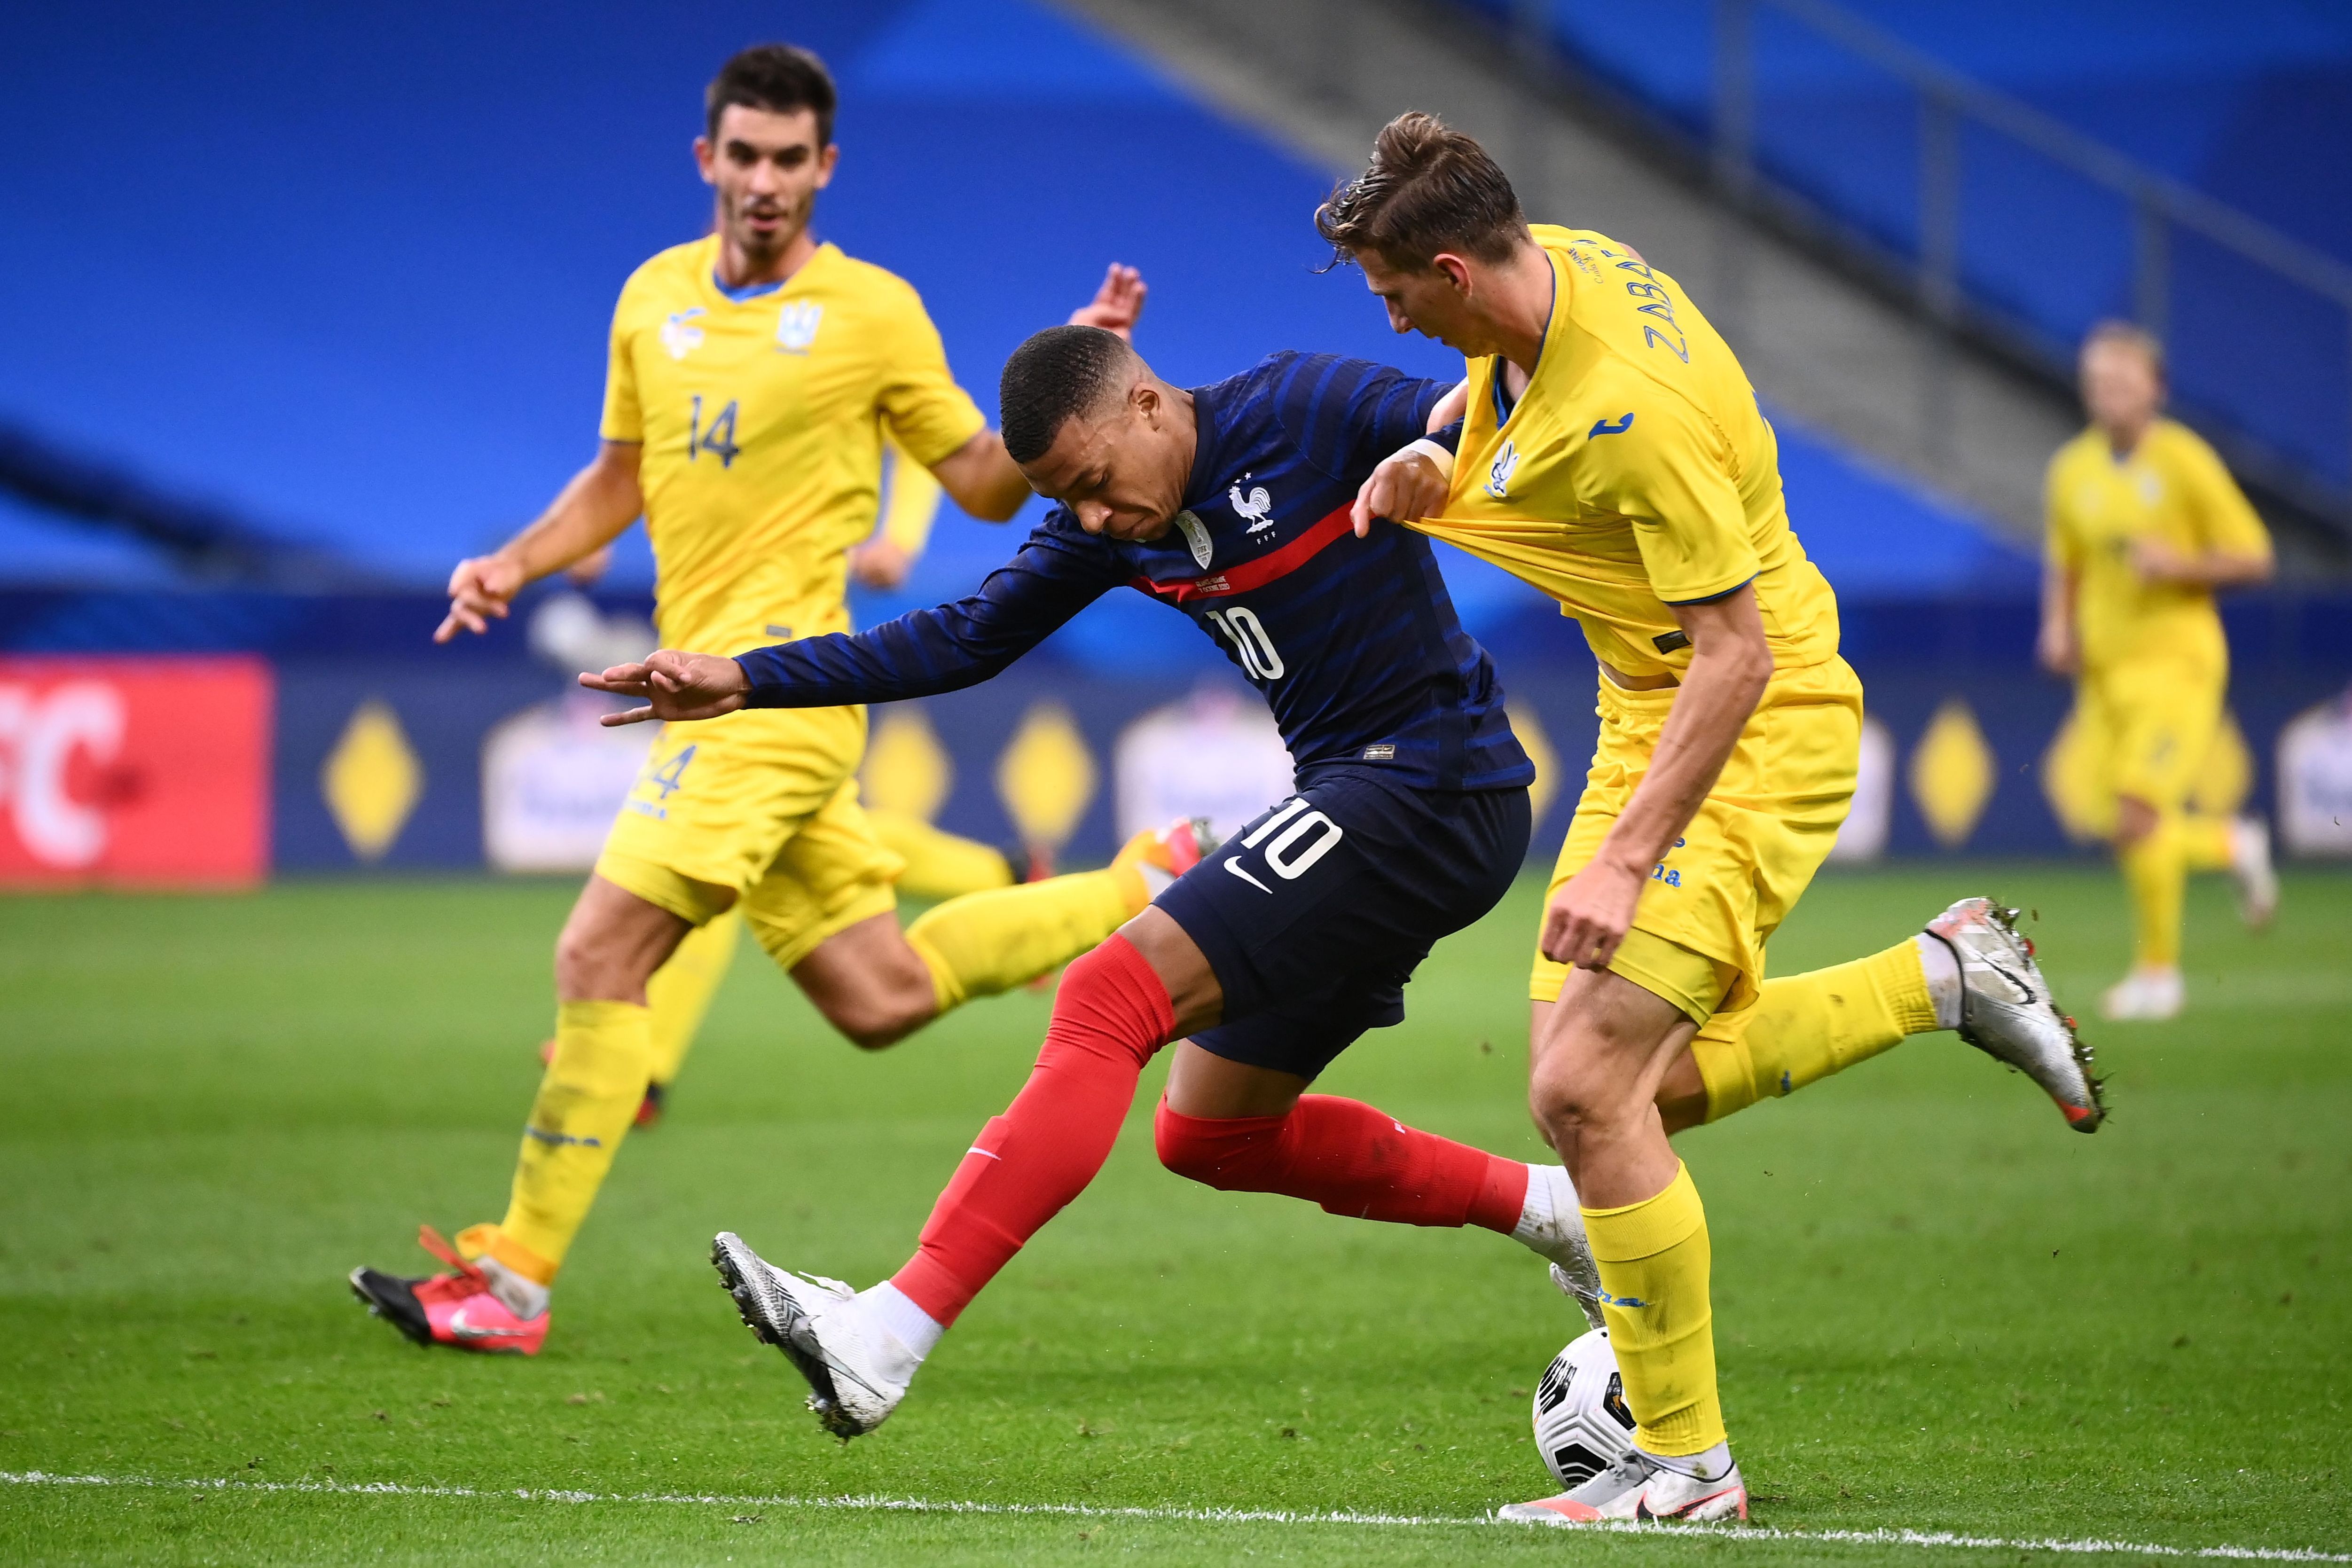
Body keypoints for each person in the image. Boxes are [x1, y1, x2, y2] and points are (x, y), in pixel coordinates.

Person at [584, 326, 2095, 1466]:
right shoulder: (1101, 525)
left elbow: (1464, 415)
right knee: (1210, 1136)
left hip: (1426, 783)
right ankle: (1561, 1208)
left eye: (1098, 483)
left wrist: (1440, 457)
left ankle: (885, 1337)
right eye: (1069, 504)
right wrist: (739, 681)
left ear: (1150, 405)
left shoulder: (1300, 409)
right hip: (1375, 807)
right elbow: (965, 635)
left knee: (1110, 995)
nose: (1094, 522)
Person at [348, 44, 1197, 1357]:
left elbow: (977, 479)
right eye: (741, 155)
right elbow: (618, 476)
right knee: (880, 995)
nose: (762, 181)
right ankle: (1143, 886)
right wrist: (515, 562)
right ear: (707, 159)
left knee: (597, 955)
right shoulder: (649, 300)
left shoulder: (873, 313)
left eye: (788, 159)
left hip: (770, 697)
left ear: (824, 168)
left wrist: (1084, 366)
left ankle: (511, 1281)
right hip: (711, 688)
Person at [1332, 112, 2101, 1523]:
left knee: (1578, 1093)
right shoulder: (1555, 267)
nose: (1390, 322)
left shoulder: (1631, 414)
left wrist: (1627, 860)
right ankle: (1939, 978)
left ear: (1452, 266)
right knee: (1624, 1097)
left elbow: (1736, 652)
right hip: (1652, 708)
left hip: (1753, 719)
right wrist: (1441, 463)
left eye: (1395, 296)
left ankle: (1689, 1473)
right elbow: (1509, 399)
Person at [2039, 322, 2276, 1022]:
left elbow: (2255, 557)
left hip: (2177, 663)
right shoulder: (2071, 470)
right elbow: (2067, 562)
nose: (2107, 395)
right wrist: (2058, 626)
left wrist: (2181, 566)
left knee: (2141, 812)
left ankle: (2158, 976)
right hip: (2105, 673)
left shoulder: (2185, 462)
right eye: (2097, 383)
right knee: (2126, 823)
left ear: (2156, 389)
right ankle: (2233, 843)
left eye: (2122, 382)